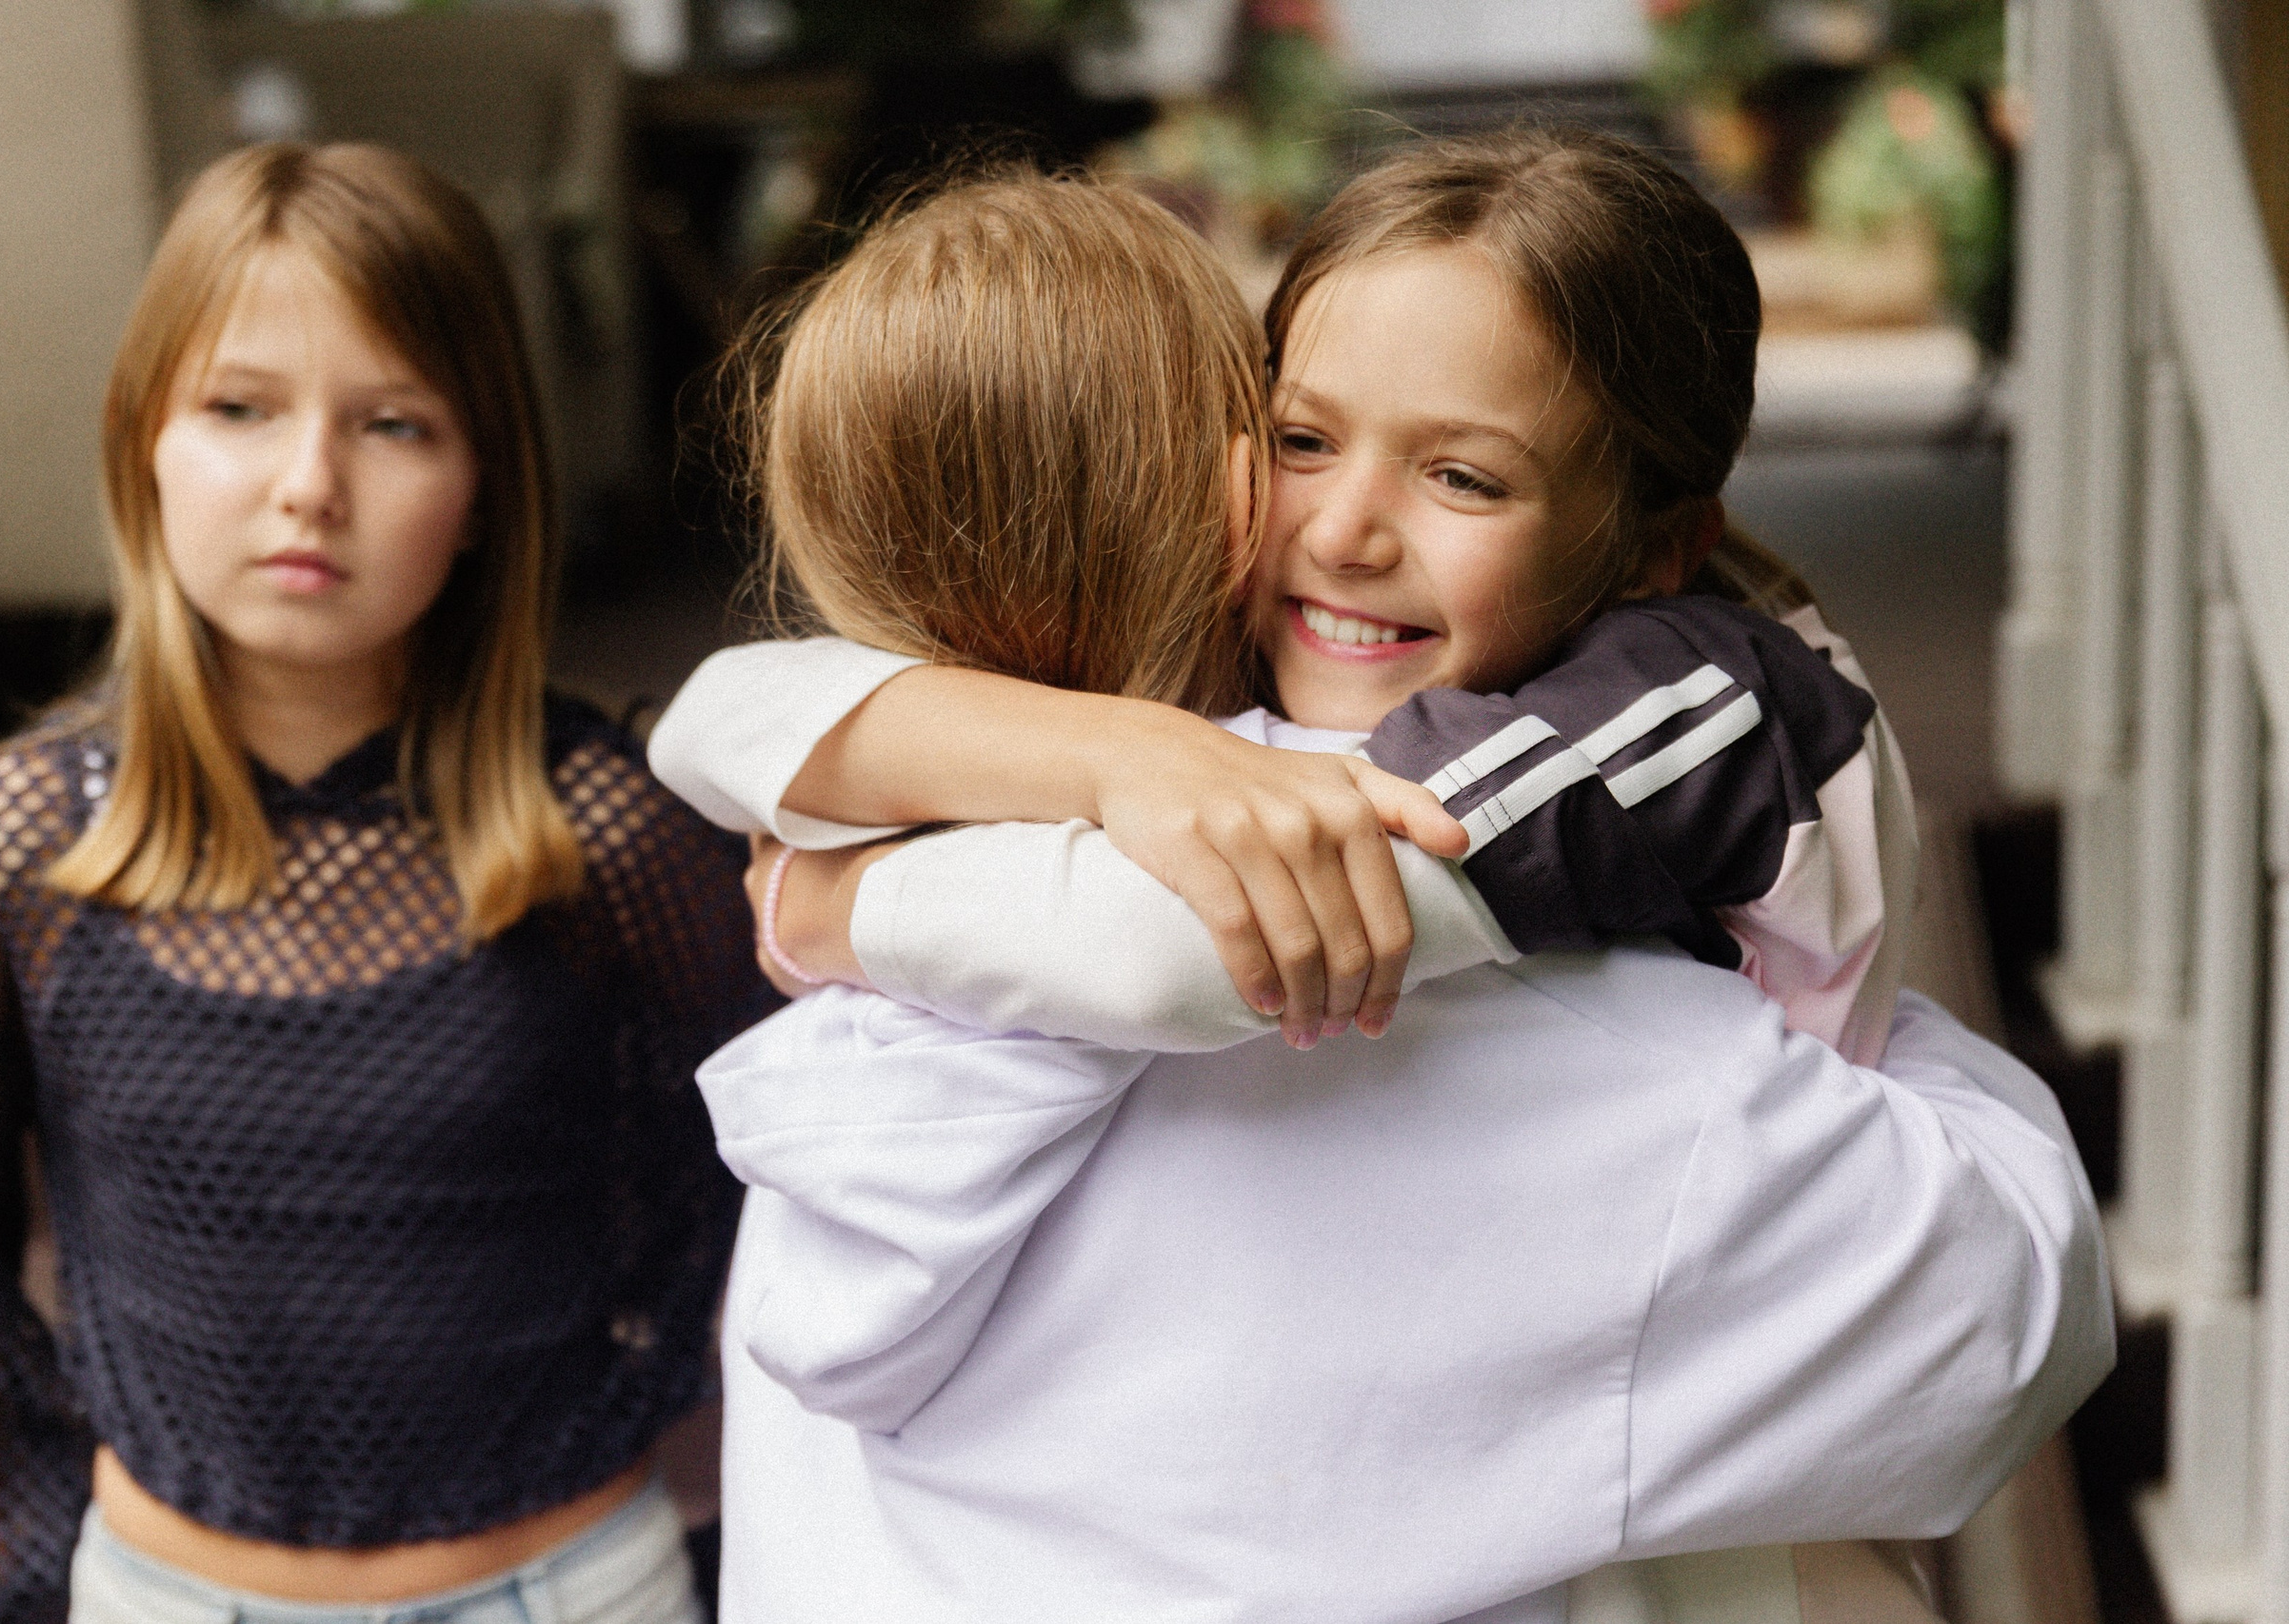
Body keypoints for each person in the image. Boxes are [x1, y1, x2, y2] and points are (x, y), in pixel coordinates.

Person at [648, 147, 2111, 1623]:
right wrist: (1952, 1079)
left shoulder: (856, 1019)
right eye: (1298, 441)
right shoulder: (1540, 1029)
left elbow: (740, 728)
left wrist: (826, 902)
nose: (1346, 529)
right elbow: (2012, 1307)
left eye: (1463, 474)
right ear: (1214, 464)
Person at [0, 143, 769, 1624]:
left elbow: (813, 1170)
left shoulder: (603, 833)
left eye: (395, 422)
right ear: (143, 440)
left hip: (563, 1590)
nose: (308, 486)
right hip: (159, 1591)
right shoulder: (21, 848)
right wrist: (4, 1583)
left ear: (482, 482)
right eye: (237, 409)